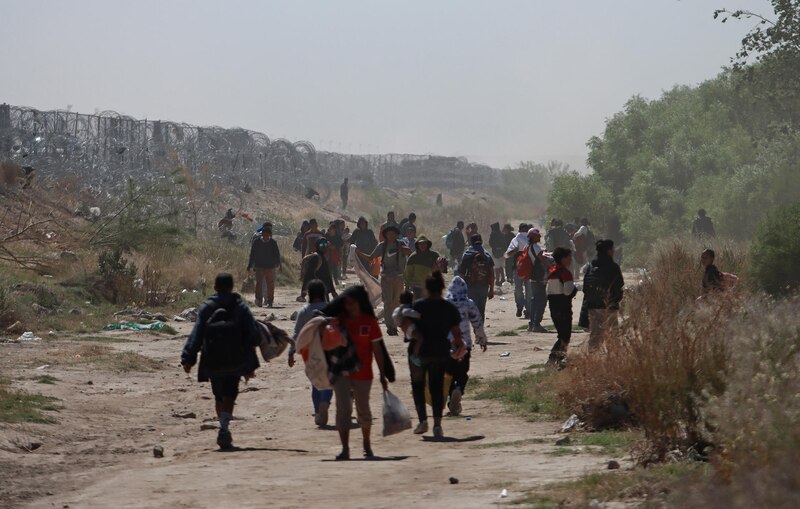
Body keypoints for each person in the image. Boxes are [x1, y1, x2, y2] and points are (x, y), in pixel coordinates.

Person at [181, 273, 261, 449]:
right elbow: (252, 333)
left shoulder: (207, 307)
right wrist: (252, 359)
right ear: (232, 287)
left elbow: (196, 334)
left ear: (215, 287)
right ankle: (224, 427)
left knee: (218, 394)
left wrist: (188, 358)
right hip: (236, 359)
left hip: (212, 359)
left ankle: (222, 425)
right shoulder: (240, 307)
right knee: (230, 394)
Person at [322, 286, 390, 460]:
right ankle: (345, 449)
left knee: (363, 410)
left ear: (360, 303)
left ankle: (366, 444)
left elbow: (378, 350)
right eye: (347, 304)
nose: (350, 307)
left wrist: (383, 374)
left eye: (352, 303)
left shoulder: (370, 322)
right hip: (341, 373)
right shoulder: (338, 321)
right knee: (342, 410)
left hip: (364, 373)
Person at [411, 271, 467, 437]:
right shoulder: (448, 308)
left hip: (420, 353)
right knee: (436, 388)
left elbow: (410, 329)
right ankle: (437, 425)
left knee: (418, 387)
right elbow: (457, 335)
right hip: (440, 352)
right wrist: (459, 349)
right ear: (443, 288)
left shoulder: (419, 306)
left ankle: (422, 421)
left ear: (426, 288)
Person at [288, 280, 333, 426]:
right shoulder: (330, 308)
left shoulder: (305, 311)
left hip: (310, 352)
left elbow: (296, 334)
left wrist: (291, 352)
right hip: (329, 350)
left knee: (315, 380)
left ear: (310, 294)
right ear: (323, 293)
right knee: (328, 380)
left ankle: (318, 410)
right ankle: (325, 402)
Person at [357, 225, 412, 336]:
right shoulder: (382, 246)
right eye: (389, 234)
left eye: (393, 234)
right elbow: (370, 257)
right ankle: (390, 326)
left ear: (396, 235)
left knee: (396, 302)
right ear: (386, 235)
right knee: (387, 302)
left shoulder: (401, 244)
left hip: (399, 277)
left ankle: (394, 325)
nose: (391, 236)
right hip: (386, 278)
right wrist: (357, 252)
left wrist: (403, 250)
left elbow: (409, 252)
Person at [445, 276, 487, 416]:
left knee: (449, 372)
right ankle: (459, 389)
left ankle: (452, 397)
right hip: (465, 345)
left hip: (448, 344)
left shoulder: (444, 304)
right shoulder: (468, 303)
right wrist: (481, 339)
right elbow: (477, 322)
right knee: (462, 372)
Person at [582, 239, 624, 351]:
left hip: (593, 305)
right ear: (609, 251)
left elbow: (585, 286)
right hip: (609, 304)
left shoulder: (590, 266)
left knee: (596, 333)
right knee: (613, 332)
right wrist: (616, 299)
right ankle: (614, 356)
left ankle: (592, 357)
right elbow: (619, 284)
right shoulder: (613, 266)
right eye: (613, 249)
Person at [546, 248, 578, 366]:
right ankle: (555, 358)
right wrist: (575, 289)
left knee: (561, 334)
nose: (570, 259)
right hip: (563, 307)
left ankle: (558, 359)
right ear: (563, 259)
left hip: (553, 306)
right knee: (565, 336)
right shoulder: (565, 273)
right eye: (569, 257)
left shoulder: (552, 272)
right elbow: (568, 292)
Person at [457, 234, 495, 319]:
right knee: (481, 310)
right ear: (481, 241)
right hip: (484, 286)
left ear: (471, 242)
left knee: (472, 309)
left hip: (470, 286)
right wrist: (491, 290)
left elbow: (461, 274)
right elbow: (492, 274)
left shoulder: (467, 254)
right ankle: (479, 330)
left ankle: (475, 328)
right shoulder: (487, 255)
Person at [247, 222, 281, 308]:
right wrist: (250, 265)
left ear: (269, 235)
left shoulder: (273, 242)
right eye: (265, 234)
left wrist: (277, 263)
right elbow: (252, 254)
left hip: (270, 266)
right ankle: (258, 300)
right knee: (259, 283)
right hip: (259, 266)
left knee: (270, 284)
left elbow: (277, 254)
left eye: (268, 235)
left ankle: (270, 301)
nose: (266, 236)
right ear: (263, 234)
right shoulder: (257, 242)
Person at [526, 228, 552, 333]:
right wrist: (552, 268)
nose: (540, 237)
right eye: (537, 235)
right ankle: (536, 324)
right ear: (532, 237)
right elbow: (542, 259)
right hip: (539, 277)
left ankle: (532, 324)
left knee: (534, 301)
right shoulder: (536, 247)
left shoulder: (528, 247)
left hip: (533, 277)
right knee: (541, 301)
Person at [300, 237, 338, 302]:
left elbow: (327, 276)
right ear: (317, 246)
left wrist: (333, 291)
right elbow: (308, 274)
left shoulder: (323, 257)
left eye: (325, 245)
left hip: (323, 290)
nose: (324, 247)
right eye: (321, 245)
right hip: (316, 289)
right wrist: (304, 290)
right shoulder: (315, 257)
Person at [506, 223, 531, 319]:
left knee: (529, 290)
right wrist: (515, 251)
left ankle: (528, 310)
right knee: (518, 289)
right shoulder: (515, 240)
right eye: (523, 231)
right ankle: (520, 307)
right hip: (517, 268)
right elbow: (508, 254)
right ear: (520, 230)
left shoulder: (531, 239)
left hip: (529, 269)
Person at [404, 235, 440, 300]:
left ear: (427, 244)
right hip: (416, 288)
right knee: (417, 307)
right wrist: (407, 286)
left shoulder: (434, 255)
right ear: (417, 245)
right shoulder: (413, 257)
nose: (422, 245)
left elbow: (439, 271)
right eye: (420, 243)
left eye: (424, 243)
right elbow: (408, 273)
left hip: (430, 287)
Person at [325, 222, 343, 286]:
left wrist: (335, 246)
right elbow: (322, 242)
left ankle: (335, 279)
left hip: (335, 253)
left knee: (335, 267)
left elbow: (341, 244)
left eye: (332, 229)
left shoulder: (337, 237)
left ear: (334, 229)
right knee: (328, 267)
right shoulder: (326, 235)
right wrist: (327, 244)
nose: (331, 230)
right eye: (330, 228)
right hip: (327, 253)